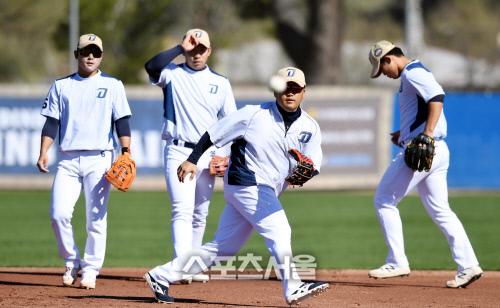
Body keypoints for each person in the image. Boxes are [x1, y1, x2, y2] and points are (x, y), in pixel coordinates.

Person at [143, 67, 329, 305]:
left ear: (304, 91)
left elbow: (313, 164)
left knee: (223, 248)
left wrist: (305, 174)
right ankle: (292, 286)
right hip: (246, 182)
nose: (290, 93)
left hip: (267, 188)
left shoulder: (310, 127)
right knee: (280, 229)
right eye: (285, 88)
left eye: (295, 88)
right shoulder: (254, 114)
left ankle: (160, 276)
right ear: (276, 90)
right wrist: (192, 160)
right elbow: (213, 133)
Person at [367, 40, 482, 288]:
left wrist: (426, 134)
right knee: (440, 210)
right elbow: (424, 105)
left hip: (425, 147)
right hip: (436, 149)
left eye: (382, 69)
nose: (383, 74)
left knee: (384, 199)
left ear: (388, 59)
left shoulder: (412, 72)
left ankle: (397, 260)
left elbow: (437, 97)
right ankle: (469, 264)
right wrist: (405, 131)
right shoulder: (413, 72)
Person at [37, 34, 132, 289]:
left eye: (96, 52)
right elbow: (51, 122)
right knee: (58, 215)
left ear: (101, 56)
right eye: (85, 51)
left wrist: (125, 152)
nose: (91, 56)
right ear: (76, 54)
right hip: (67, 159)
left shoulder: (113, 85)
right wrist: (44, 151)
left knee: (96, 219)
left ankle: (91, 269)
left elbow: (121, 121)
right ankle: (71, 259)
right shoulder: (61, 86)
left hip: (99, 159)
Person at [144, 28, 236, 283]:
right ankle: (181, 266)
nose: (196, 54)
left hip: (207, 153)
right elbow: (151, 65)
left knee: (200, 212)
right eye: (193, 49)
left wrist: (223, 156)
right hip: (178, 149)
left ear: (210, 51)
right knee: (181, 209)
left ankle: (191, 266)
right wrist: (178, 47)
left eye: (201, 49)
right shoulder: (171, 74)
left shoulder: (220, 82)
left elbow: (230, 124)